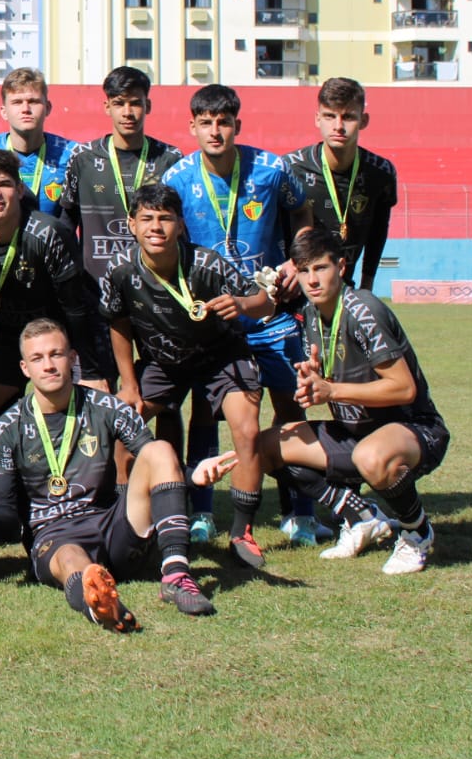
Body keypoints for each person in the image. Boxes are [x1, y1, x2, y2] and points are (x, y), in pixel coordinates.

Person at [0, 319, 214, 632]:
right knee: (73, 559)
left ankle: (176, 576)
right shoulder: (5, 430)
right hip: (54, 534)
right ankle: (97, 604)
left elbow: (156, 462)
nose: (48, 365)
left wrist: (193, 475)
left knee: (160, 449)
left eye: (56, 354)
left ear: (73, 359)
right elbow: (7, 522)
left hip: (114, 525)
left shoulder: (107, 407)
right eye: (37, 358)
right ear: (24, 368)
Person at [162, 84, 318, 544]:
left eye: (223, 122)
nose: (215, 131)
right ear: (192, 127)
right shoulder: (177, 178)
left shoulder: (273, 169)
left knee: (290, 408)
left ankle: (300, 512)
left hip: (270, 314)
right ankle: (204, 513)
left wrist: (296, 260)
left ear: (237, 126)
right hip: (214, 318)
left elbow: (302, 212)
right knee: (208, 412)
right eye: (206, 122)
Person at [100, 183, 276, 567]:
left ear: (180, 224)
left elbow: (265, 302)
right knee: (120, 427)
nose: (156, 227)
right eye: (146, 218)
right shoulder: (120, 269)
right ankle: (127, 523)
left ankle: (241, 532)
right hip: (163, 362)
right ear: (131, 224)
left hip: (221, 357)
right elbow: (118, 323)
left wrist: (242, 303)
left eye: (165, 218)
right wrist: (129, 384)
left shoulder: (207, 263)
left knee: (246, 430)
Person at [255, 229, 447, 573]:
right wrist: (315, 382)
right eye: (303, 271)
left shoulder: (363, 309)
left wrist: (332, 391)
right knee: (266, 446)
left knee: (370, 456)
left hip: (413, 430)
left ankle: (417, 533)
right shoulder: (312, 315)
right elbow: (333, 377)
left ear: (341, 267)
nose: (311, 280)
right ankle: (360, 517)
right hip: (355, 431)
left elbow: (403, 389)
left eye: (320, 268)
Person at [0, 148, 111, 422]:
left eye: (4, 184)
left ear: (20, 190)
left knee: (89, 416)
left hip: (57, 336)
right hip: (1, 341)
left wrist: (90, 372)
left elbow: (77, 310)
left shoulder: (49, 233)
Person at [59, 65, 183, 284]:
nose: (127, 112)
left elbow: (181, 227)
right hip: (95, 287)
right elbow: (68, 220)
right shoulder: (82, 157)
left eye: (135, 103)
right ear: (107, 107)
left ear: (148, 106)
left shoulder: (170, 159)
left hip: (154, 286)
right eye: (118, 103)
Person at [284, 78, 398, 293]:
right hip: (297, 290)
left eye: (348, 117)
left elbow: (378, 231)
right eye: (329, 116)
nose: (338, 126)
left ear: (363, 120)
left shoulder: (381, 172)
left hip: (346, 289)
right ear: (317, 119)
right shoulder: (290, 169)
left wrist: (367, 285)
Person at [0, 68, 76, 218]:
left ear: (48, 108)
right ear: (4, 111)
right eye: (17, 102)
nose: (25, 109)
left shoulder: (71, 154)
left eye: (33, 102)